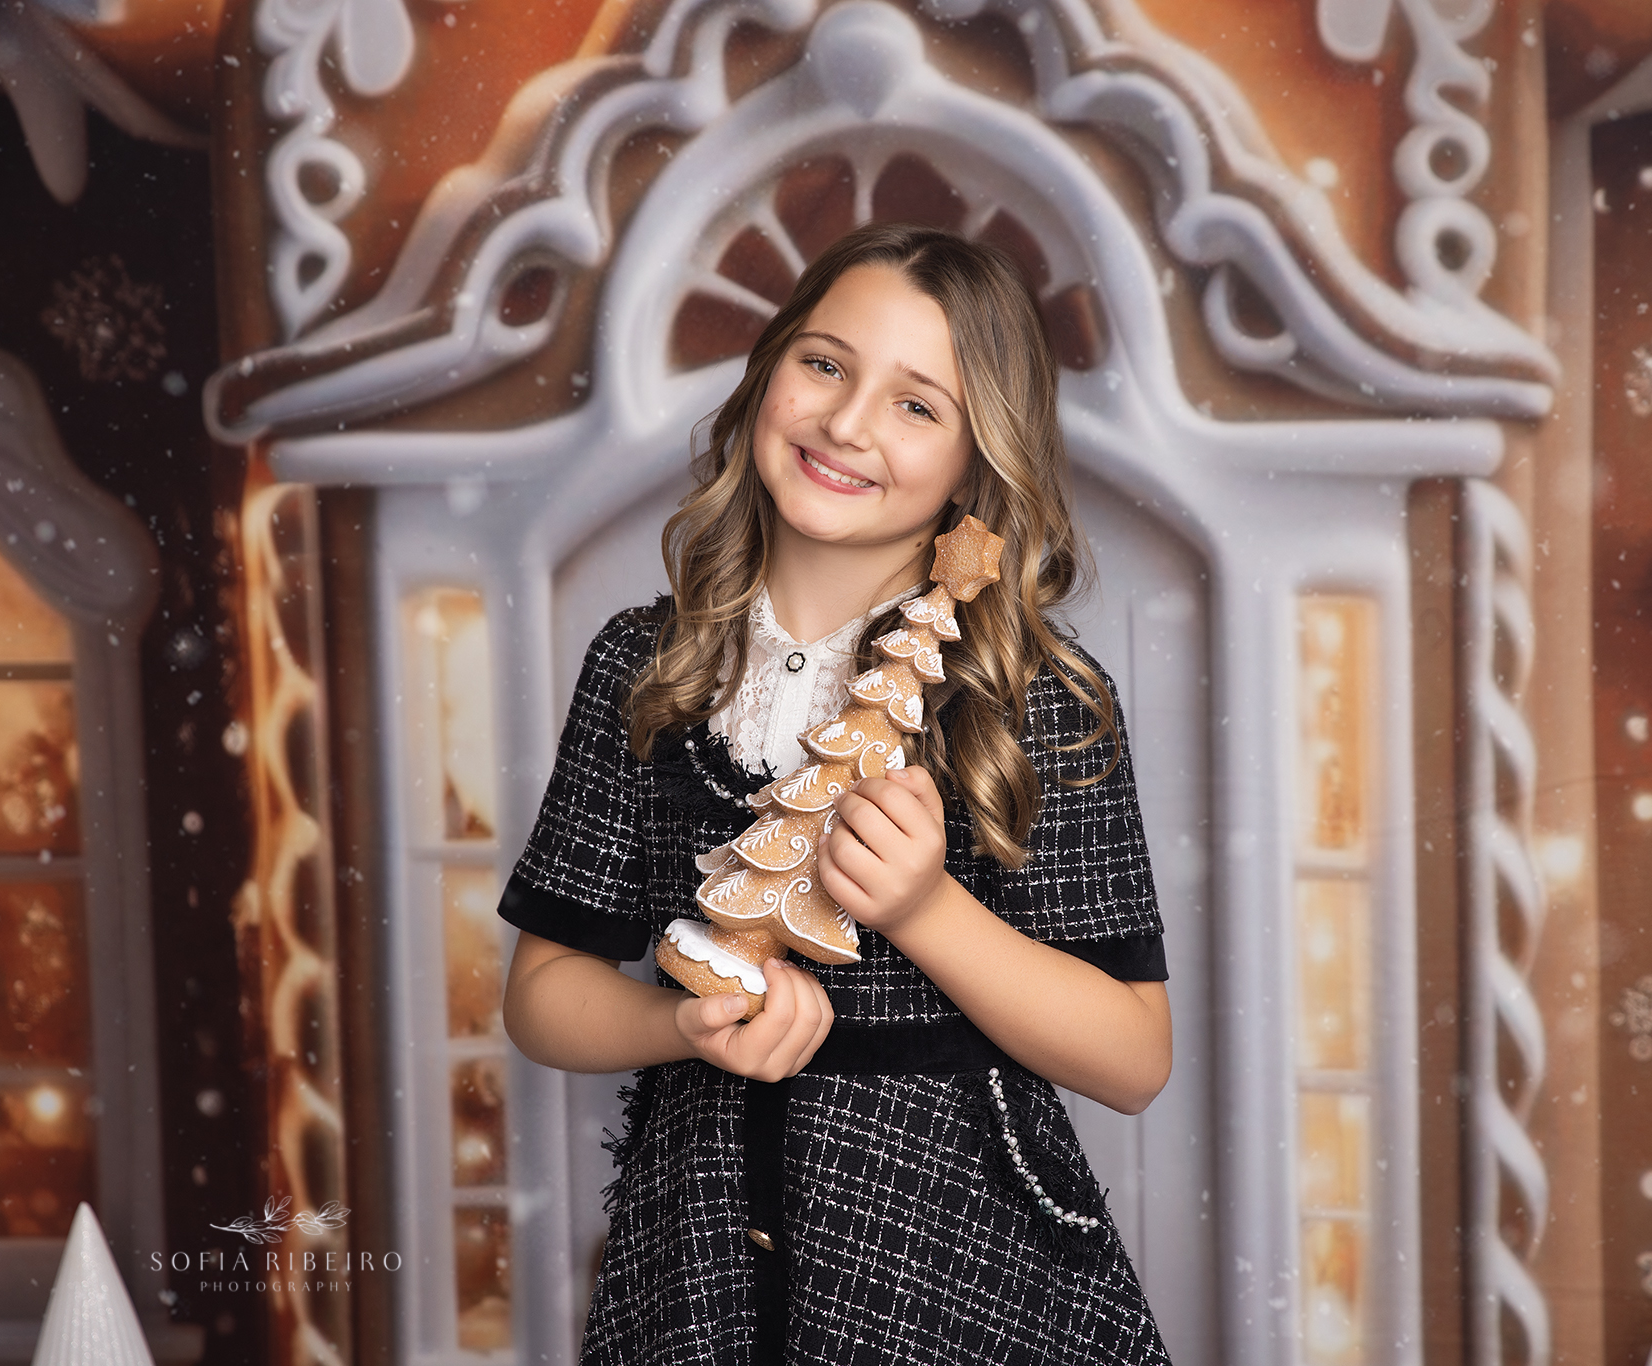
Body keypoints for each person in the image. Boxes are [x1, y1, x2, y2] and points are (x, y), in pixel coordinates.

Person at [499, 220, 1173, 1364]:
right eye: (824, 363)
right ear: (768, 370)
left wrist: (921, 909)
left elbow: (1131, 1055)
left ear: (976, 460)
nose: (848, 423)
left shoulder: (1035, 698)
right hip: (695, 1274)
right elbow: (542, 994)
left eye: (917, 405)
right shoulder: (644, 666)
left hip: (963, 1284)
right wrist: (681, 1025)